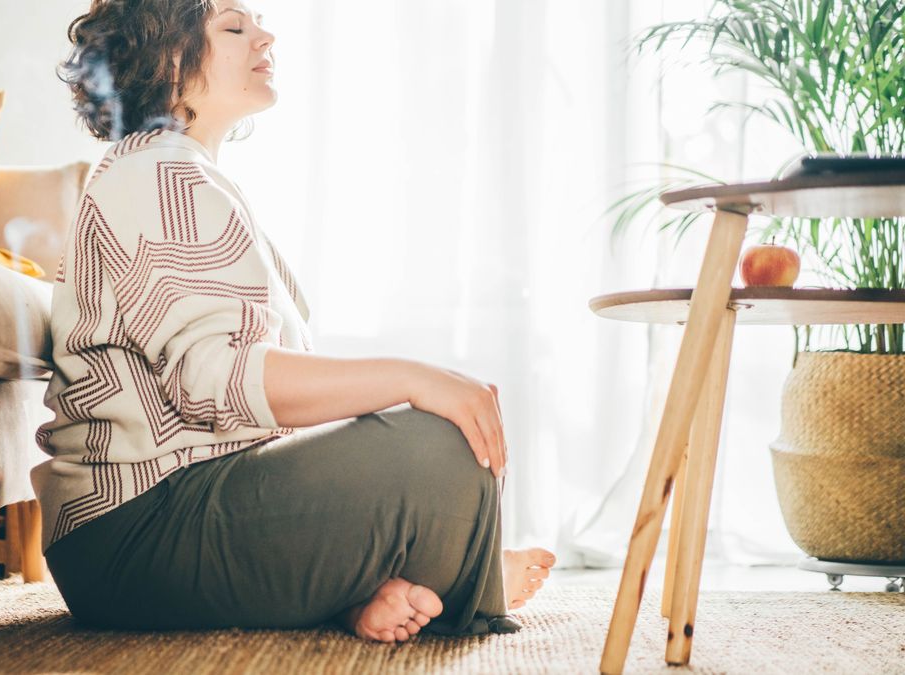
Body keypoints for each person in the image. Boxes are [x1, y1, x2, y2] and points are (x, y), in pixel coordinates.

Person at [31, 0, 556, 644]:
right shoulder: (159, 173)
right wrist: (415, 379)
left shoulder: (182, 173)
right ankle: (464, 581)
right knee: (439, 440)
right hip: (137, 533)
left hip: (160, 521)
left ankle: (353, 596)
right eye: (233, 25)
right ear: (167, 58)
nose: (265, 34)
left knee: (420, 428)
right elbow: (216, 384)